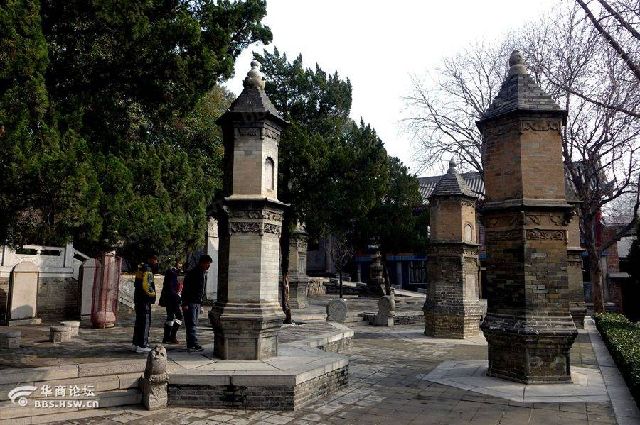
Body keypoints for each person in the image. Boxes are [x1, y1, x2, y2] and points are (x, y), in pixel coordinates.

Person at [181, 254, 213, 352]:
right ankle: (192, 344)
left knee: (193, 324)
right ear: (202, 263)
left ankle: (192, 343)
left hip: (196, 302)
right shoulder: (194, 273)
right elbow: (186, 289)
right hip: (191, 302)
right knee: (191, 324)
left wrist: (201, 304)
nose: (208, 266)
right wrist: (185, 303)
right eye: (207, 264)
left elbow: (200, 291)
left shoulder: (202, 273)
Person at [132, 255, 158, 353]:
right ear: (151, 259)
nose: (156, 262)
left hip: (138, 299)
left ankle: (136, 343)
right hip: (144, 300)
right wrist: (153, 295)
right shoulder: (148, 270)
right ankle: (142, 344)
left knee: (139, 322)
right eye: (155, 260)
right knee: (145, 322)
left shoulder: (141, 268)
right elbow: (147, 285)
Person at [161, 260, 183, 344]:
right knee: (179, 317)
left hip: (169, 299)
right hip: (173, 299)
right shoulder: (172, 274)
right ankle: (172, 336)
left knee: (170, 317)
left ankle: (166, 337)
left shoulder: (169, 273)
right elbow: (171, 288)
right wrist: (178, 298)